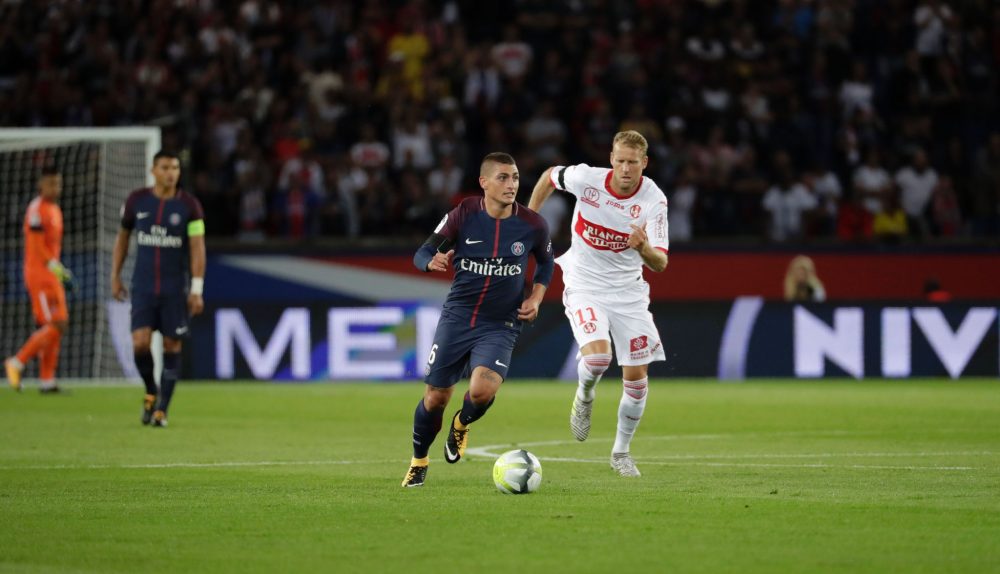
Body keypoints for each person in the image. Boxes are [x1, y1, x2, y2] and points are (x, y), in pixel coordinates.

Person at [402, 152, 553, 488]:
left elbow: (546, 264)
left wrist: (536, 297)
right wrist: (431, 262)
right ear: (483, 182)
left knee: (482, 391)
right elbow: (422, 252)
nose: (511, 184)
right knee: (435, 398)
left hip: (501, 322)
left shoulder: (533, 224)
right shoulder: (464, 213)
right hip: (458, 317)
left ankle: (461, 424)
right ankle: (419, 460)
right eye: (503, 177)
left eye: (514, 177)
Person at [528, 130, 669, 478]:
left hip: (629, 293)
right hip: (585, 283)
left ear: (644, 164)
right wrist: (528, 219)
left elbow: (661, 263)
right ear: (611, 158)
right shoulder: (586, 179)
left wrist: (643, 248)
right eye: (619, 160)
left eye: (632, 163)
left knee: (636, 379)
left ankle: (621, 453)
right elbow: (549, 176)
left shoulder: (654, 201)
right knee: (598, 358)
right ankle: (584, 395)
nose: (625, 168)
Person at [111, 151, 206, 427]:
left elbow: (198, 248)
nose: (171, 173)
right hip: (142, 287)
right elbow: (123, 238)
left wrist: (197, 288)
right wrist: (115, 276)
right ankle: (151, 390)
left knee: (170, 344)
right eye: (165, 167)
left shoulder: (190, 206)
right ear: (153, 170)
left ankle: (162, 409)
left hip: (174, 288)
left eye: (175, 168)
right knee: (140, 343)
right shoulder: (136, 201)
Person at [5, 165, 73, 393]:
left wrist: (59, 272)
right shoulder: (36, 210)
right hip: (39, 275)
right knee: (54, 324)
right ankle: (16, 362)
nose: (56, 188)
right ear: (40, 185)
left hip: (51, 275)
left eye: (58, 183)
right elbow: (37, 246)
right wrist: (60, 270)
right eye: (51, 183)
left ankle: (47, 380)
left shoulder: (55, 209)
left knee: (59, 324)